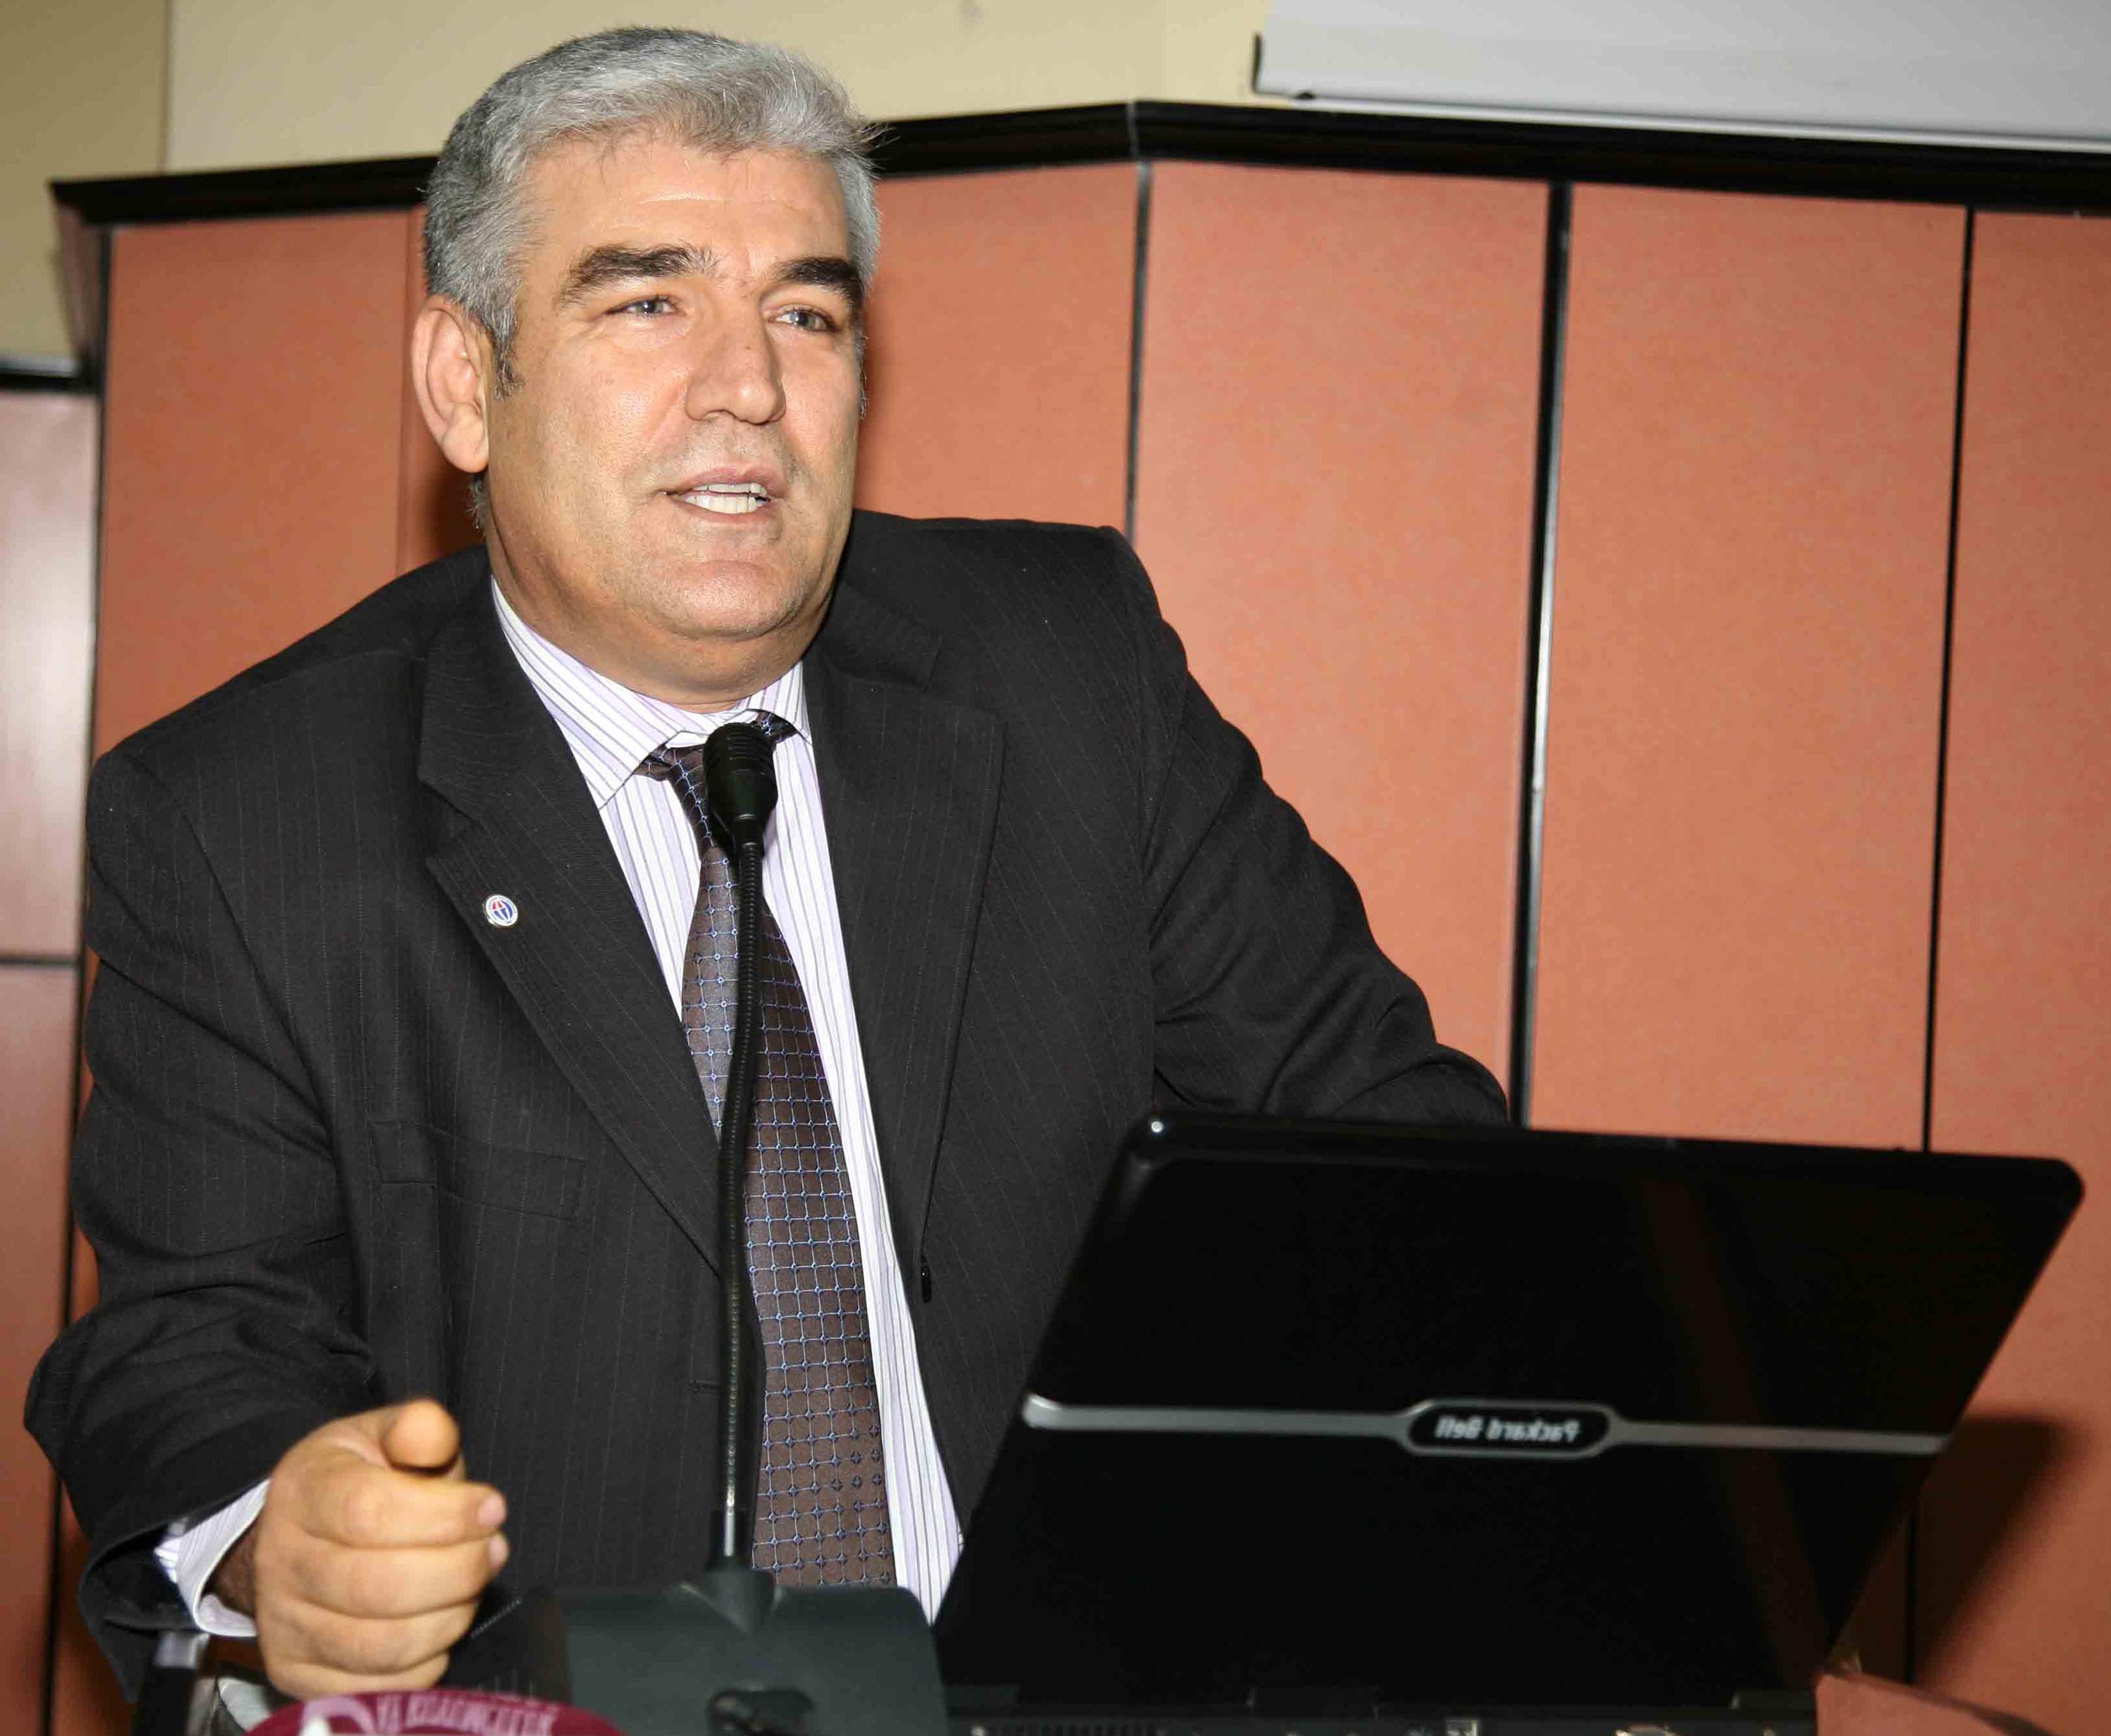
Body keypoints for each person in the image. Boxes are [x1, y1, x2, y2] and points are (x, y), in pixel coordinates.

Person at [29, 27, 1505, 1707]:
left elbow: (1397, 1155)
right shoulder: (245, 814)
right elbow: (188, 1338)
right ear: (463, 382)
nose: (746, 385)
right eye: (646, 303)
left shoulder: (1067, 673)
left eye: (806, 314)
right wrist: (275, 1535)